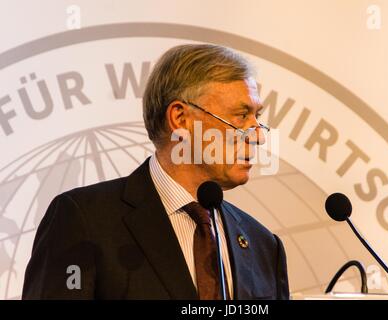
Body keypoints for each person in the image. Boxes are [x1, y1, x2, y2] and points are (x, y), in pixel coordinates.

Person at [22, 44, 290, 299]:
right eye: (241, 116)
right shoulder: (83, 221)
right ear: (180, 119)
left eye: (258, 118)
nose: (258, 137)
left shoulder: (263, 245)